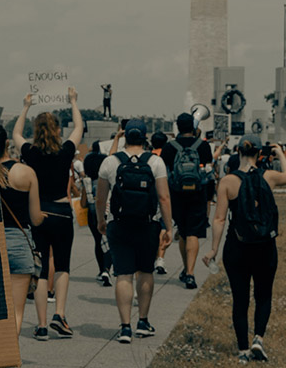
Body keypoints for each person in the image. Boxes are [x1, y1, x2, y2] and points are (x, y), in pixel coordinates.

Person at [202, 135, 286, 363]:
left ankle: (242, 350)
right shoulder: (268, 176)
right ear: (259, 153)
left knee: (240, 299)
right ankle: (258, 339)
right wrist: (280, 152)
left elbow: (220, 219)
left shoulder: (227, 182)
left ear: (238, 152)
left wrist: (214, 249)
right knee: (263, 295)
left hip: (237, 247)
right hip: (265, 246)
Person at [13, 87, 84, 340]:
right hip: (62, 212)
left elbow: (16, 134)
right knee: (62, 265)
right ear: (56, 130)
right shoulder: (66, 151)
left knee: (41, 269)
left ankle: (41, 325)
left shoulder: (31, 154)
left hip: (39, 213)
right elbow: (79, 127)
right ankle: (60, 315)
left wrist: (25, 106)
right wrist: (73, 102)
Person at [95, 119, 173, 343]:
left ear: (125, 136)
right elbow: (164, 198)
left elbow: (101, 198)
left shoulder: (110, 162)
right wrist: (168, 227)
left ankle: (125, 327)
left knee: (123, 274)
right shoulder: (155, 162)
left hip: (118, 224)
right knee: (145, 271)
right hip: (148, 224)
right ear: (145, 137)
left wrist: (101, 220)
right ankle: (143, 321)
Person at [0, 125, 44, 368]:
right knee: (15, 310)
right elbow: (34, 218)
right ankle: (3, 365)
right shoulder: (25, 173)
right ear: (6, 145)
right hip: (17, 241)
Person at [160, 113, 213, 290]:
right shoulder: (203, 146)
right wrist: (209, 197)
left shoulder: (169, 147)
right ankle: (190, 273)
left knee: (183, 232)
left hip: (176, 194)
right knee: (193, 233)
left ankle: (185, 269)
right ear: (193, 127)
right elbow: (208, 172)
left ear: (177, 127)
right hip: (198, 194)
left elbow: (164, 175)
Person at [81, 141, 112, 286]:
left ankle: (101, 270)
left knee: (98, 241)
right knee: (108, 241)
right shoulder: (105, 180)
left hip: (91, 214)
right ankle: (107, 268)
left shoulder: (86, 181)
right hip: (106, 211)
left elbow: (82, 203)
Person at [150, 131, 172, 275]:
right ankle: (161, 259)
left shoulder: (147, 156)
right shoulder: (167, 156)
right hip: (164, 192)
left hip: (149, 195)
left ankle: (152, 257)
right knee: (164, 226)